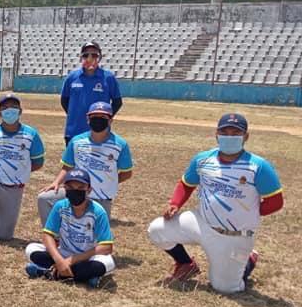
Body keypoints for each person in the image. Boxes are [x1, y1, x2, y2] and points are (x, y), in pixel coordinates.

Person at [147, 113, 283, 293]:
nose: (229, 136)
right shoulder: (203, 159)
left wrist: (248, 213)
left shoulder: (258, 166)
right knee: (157, 229)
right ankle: (186, 263)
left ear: (246, 136)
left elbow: (275, 202)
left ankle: (248, 260)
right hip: (201, 222)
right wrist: (175, 203)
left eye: (236, 133)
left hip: (234, 235)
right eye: (224, 132)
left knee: (225, 288)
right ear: (216, 134)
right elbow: (187, 184)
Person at [37, 102, 132, 226]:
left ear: (110, 120)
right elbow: (67, 167)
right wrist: (56, 183)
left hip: (101, 197)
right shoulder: (77, 141)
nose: (98, 120)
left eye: (103, 118)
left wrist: (110, 182)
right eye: (94, 117)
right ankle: (54, 236)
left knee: (90, 236)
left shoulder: (120, 144)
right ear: (88, 119)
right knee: (45, 198)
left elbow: (127, 173)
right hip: (76, 190)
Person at [24, 169, 115, 288]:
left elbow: (107, 247)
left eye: (80, 187)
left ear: (89, 190)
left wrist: (71, 261)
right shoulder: (60, 207)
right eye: (70, 187)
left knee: (106, 263)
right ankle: (84, 276)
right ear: (65, 188)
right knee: (31, 249)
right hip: (64, 252)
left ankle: (47, 272)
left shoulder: (97, 211)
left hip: (87, 257)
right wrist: (59, 260)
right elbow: (47, 235)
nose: (75, 191)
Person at [0, 94, 45, 240]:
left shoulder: (31, 134)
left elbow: (38, 162)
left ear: (20, 111)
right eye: (5, 108)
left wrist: (20, 171)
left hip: (14, 188)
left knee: (4, 237)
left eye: (14, 107)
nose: (9, 110)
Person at [60, 41, 123, 145]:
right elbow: (64, 100)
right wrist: (75, 115)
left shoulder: (108, 78)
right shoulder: (72, 77)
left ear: (99, 57)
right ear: (81, 57)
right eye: (86, 55)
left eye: (94, 55)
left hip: (99, 133)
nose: (90, 58)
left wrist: (105, 118)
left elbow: (117, 102)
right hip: (74, 132)